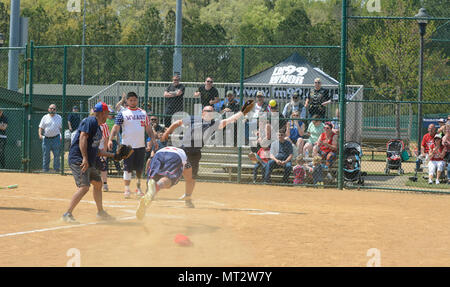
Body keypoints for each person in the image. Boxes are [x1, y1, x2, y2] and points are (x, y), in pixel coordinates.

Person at [161, 102, 255, 207]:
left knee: (191, 177)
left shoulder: (213, 124)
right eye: (208, 111)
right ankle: (156, 187)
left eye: (212, 111)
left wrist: (241, 113)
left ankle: (187, 198)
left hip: (195, 153)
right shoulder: (193, 119)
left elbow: (228, 120)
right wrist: (166, 133)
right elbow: (177, 123)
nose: (211, 113)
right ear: (202, 113)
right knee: (172, 173)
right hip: (183, 151)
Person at [61, 102, 118, 223]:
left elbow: (96, 150)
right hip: (79, 160)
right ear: (102, 113)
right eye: (107, 113)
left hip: (87, 161)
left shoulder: (98, 128)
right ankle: (67, 214)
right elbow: (82, 138)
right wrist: (85, 159)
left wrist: (114, 155)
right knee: (84, 187)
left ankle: (100, 213)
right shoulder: (90, 121)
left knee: (98, 183)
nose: (108, 116)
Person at [108, 92, 157, 199]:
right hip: (127, 146)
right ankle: (127, 189)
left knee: (139, 169)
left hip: (140, 145)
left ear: (137, 100)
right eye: (130, 100)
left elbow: (148, 128)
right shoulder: (123, 113)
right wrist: (110, 139)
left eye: (135, 100)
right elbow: (116, 127)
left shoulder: (143, 113)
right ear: (127, 101)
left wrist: (153, 140)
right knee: (127, 168)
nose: (133, 102)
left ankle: (138, 188)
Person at [136, 146, 195, 220]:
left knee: (152, 183)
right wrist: (188, 198)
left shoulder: (163, 148)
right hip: (174, 157)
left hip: (158, 155)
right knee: (169, 179)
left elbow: (149, 161)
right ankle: (157, 186)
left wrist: (148, 174)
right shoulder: (183, 155)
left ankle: (145, 204)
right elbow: (189, 179)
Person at [38, 104, 62, 173]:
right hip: (46, 139)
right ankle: (45, 169)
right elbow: (40, 127)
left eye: (54, 109)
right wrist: (40, 134)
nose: (52, 110)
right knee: (46, 155)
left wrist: (61, 136)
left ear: (55, 110)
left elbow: (61, 128)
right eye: (51, 108)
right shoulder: (45, 117)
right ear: (48, 109)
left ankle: (56, 169)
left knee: (57, 154)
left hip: (56, 138)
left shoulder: (59, 117)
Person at [105, 106, 122, 174]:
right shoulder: (105, 120)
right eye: (109, 113)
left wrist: (118, 141)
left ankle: (119, 170)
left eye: (111, 113)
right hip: (105, 139)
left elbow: (117, 132)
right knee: (105, 154)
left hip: (113, 140)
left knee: (114, 154)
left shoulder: (115, 120)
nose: (111, 114)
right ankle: (105, 170)